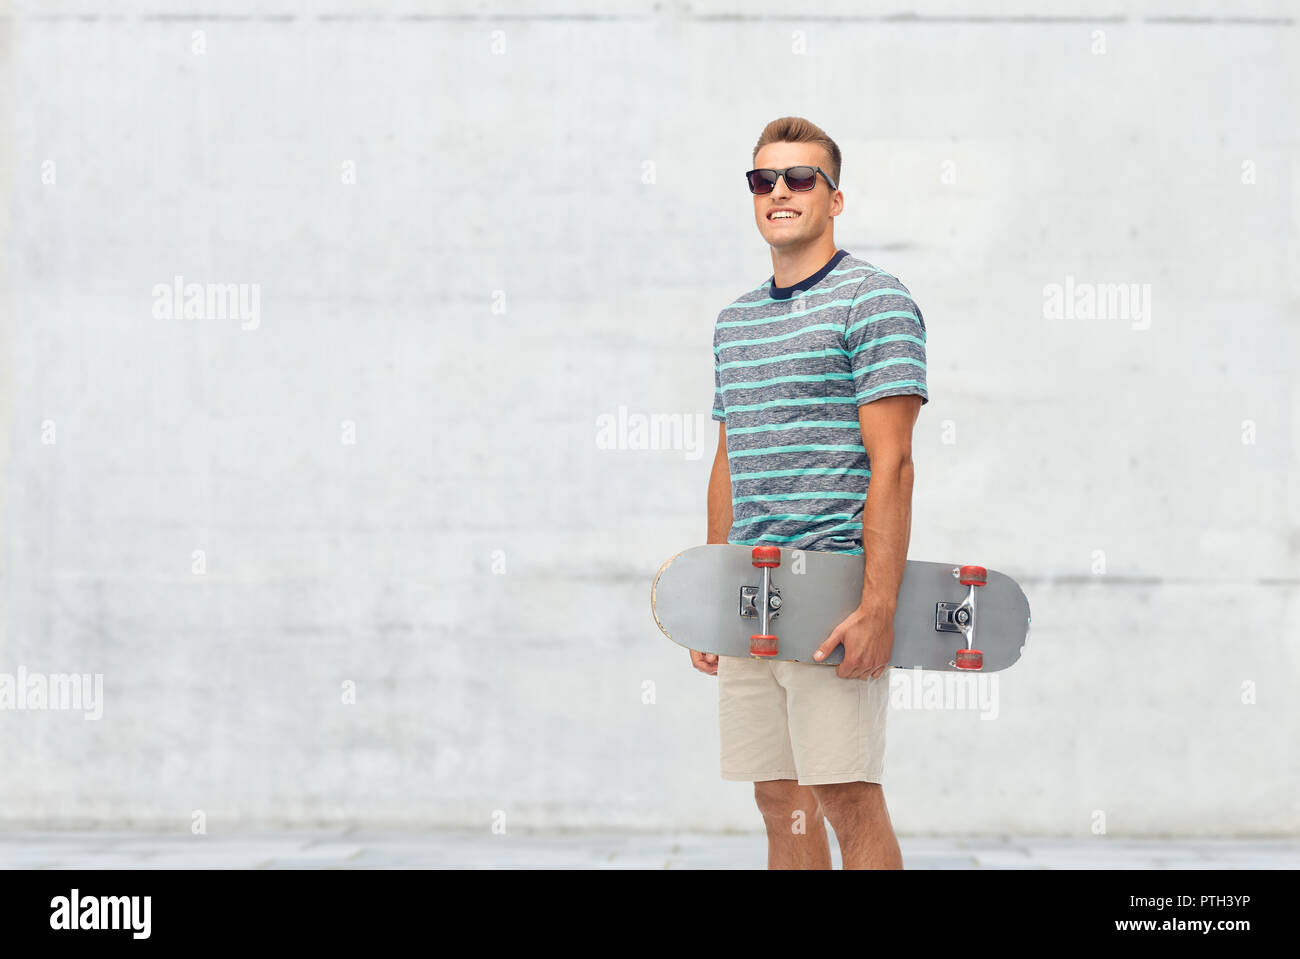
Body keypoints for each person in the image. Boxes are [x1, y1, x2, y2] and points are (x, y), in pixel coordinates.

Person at [697, 116, 928, 869]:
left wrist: (880, 605)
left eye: (801, 178)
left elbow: (892, 463)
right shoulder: (734, 323)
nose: (780, 191)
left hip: (832, 590)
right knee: (779, 801)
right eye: (764, 179)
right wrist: (710, 593)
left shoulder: (876, 300)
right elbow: (730, 461)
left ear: (835, 200)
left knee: (847, 797)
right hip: (752, 597)